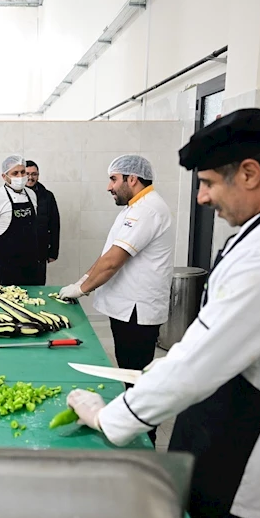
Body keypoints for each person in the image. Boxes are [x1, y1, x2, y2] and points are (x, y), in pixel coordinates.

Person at [64, 109, 260, 518]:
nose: (201, 198)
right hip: (237, 422)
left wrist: (109, 417)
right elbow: (224, 330)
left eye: (208, 183)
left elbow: (199, 366)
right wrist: (167, 363)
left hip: (253, 453)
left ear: (250, 173)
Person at [59, 155, 174, 445]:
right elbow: (106, 255)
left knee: (137, 378)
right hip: (126, 308)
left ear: (132, 179)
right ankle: (132, 426)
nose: (109, 187)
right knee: (127, 374)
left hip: (137, 310)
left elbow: (113, 262)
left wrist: (82, 289)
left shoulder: (147, 210)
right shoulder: (133, 209)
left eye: (113, 179)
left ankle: (145, 440)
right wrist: (81, 280)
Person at [0, 154, 41, 286]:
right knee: (11, 301)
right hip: (7, 264)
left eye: (23, 172)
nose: (20, 176)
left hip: (31, 261)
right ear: (4, 176)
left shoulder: (32, 195)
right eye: (15, 173)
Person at [25, 160, 60, 284]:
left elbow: (55, 224)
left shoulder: (47, 196)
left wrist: (53, 252)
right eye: (27, 173)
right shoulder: (13, 196)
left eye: (34, 174)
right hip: (18, 252)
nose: (30, 177)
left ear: (38, 175)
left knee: (38, 286)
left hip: (40, 250)